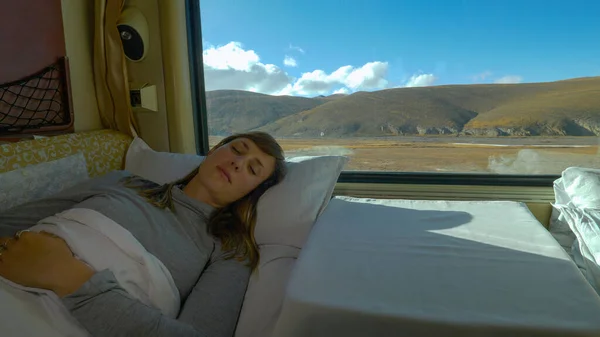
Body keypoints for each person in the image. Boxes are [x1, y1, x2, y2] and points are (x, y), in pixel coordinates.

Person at [0, 131, 287, 337]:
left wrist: (72, 280)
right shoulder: (123, 181)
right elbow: (9, 222)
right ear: (215, 150)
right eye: (237, 149)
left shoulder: (229, 249)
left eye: (252, 168)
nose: (238, 162)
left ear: (252, 193)